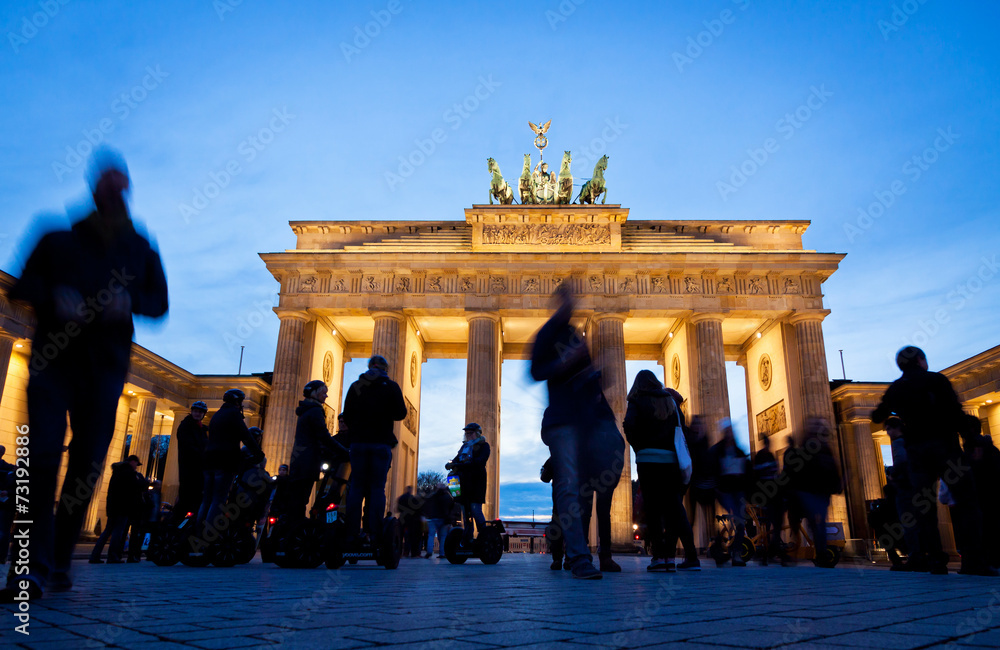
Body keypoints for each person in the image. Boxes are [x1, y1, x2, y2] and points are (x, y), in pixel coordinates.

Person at [1, 153, 168, 600]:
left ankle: (57, 560)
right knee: (39, 459)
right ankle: (28, 568)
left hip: (105, 367)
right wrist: (55, 295)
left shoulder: (139, 249)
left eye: (119, 187)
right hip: (54, 362)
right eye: (107, 187)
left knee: (87, 467)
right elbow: (21, 287)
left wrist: (129, 302)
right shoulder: (57, 240)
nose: (113, 195)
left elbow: (159, 303)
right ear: (94, 190)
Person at [872, 346, 994, 576]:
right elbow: (955, 412)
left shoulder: (897, 388)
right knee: (967, 503)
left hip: (918, 453)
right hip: (946, 448)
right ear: (920, 360)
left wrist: (899, 411)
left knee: (924, 509)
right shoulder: (936, 380)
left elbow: (877, 415)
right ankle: (973, 561)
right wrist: (971, 442)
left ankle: (937, 561)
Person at [529, 283, 605, 579]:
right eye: (568, 298)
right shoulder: (547, 333)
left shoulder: (575, 335)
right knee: (569, 486)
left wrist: (597, 376)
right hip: (561, 421)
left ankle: (578, 553)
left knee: (581, 489)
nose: (572, 303)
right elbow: (536, 371)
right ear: (558, 301)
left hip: (582, 422)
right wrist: (565, 361)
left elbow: (588, 380)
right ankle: (578, 557)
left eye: (574, 298)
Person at [624, 370, 691, 573]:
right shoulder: (670, 401)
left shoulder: (636, 400)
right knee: (673, 509)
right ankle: (671, 557)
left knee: (652, 509)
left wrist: (639, 447)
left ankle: (659, 557)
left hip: (648, 461)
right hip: (670, 461)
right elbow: (681, 426)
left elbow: (629, 425)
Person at [342, 355, 407, 545]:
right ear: (385, 369)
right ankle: (375, 533)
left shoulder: (356, 386)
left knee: (356, 488)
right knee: (377, 488)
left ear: (369, 367)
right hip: (380, 442)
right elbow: (401, 413)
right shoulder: (391, 386)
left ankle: (351, 533)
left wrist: (357, 429)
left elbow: (347, 415)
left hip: (358, 444)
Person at [197, 389, 263, 536]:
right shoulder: (234, 414)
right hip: (225, 462)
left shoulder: (217, 415)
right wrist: (258, 453)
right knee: (219, 499)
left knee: (207, 499)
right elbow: (245, 435)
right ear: (237, 401)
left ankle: (198, 531)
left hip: (209, 461)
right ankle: (209, 535)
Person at [288, 380, 348, 519]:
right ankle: (296, 528)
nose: (326, 396)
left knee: (297, 501)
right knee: (301, 500)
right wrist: (344, 452)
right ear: (314, 393)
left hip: (299, 462)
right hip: (308, 463)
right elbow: (323, 436)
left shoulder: (305, 411)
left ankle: (293, 527)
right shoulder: (315, 411)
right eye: (324, 393)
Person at [89, 455, 147, 564]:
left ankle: (94, 556)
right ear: (132, 462)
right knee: (118, 532)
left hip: (112, 507)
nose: (136, 467)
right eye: (136, 464)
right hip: (123, 507)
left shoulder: (116, 472)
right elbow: (137, 486)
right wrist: (145, 482)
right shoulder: (129, 473)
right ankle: (112, 556)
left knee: (107, 532)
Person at [710, 418, 750, 567]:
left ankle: (736, 553)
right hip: (725, 491)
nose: (729, 434)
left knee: (740, 522)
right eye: (727, 431)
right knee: (734, 519)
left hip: (738, 491)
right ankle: (722, 549)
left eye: (731, 431)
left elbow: (747, 472)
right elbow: (713, 469)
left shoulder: (739, 451)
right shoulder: (717, 451)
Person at [445, 423, 491, 544]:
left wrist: (467, 462)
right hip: (463, 483)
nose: (468, 435)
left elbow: (481, 461)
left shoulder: (484, 446)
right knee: (465, 512)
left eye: (471, 433)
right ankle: (468, 537)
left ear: (478, 433)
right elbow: (456, 459)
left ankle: (484, 535)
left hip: (476, 483)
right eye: (467, 433)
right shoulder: (464, 447)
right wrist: (451, 463)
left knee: (475, 509)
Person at [685, 416, 716, 557]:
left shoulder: (704, 440)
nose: (699, 427)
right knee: (691, 519)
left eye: (700, 424)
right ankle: (690, 550)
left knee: (711, 521)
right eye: (696, 424)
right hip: (695, 485)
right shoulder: (692, 441)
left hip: (708, 485)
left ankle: (715, 548)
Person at [174, 401, 208, 520]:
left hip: (198, 468)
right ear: (192, 412)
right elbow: (188, 447)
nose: (198, 414)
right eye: (196, 411)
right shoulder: (186, 426)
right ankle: (175, 523)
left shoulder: (201, 428)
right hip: (189, 467)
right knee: (186, 498)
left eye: (200, 412)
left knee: (194, 498)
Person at [751, 435, 782, 563]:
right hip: (765, 495)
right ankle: (768, 551)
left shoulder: (767, 456)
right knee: (767, 525)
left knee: (770, 524)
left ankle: (770, 551)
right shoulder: (764, 456)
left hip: (769, 494)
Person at [127, 479, 162, 563]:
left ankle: (150, 555)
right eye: (157, 485)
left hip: (155, 520)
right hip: (147, 519)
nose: (159, 486)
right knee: (142, 537)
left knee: (153, 538)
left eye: (159, 485)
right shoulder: (148, 494)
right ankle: (137, 554)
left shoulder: (159, 494)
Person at [422, 482, 454, 558]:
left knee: (431, 535)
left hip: (432, 518)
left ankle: (429, 551)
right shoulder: (447, 497)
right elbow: (451, 506)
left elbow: (426, 504)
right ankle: (442, 553)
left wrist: (427, 514)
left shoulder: (432, 496)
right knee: (443, 536)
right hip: (443, 518)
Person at [396, 486, 423, 557]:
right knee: (410, 537)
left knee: (401, 536)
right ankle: (410, 552)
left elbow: (398, 508)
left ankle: (400, 552)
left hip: (402, 518)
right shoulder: (412, 499)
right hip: (410, 520)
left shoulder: (401, 498)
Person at [0, 447, 15, 565]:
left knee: (4, 532)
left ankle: (2, 556)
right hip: (6, 505)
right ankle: (2, 557)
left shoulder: (10, 469)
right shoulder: (9, 468)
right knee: (4, 531)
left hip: (6, 505)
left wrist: (8, 492)